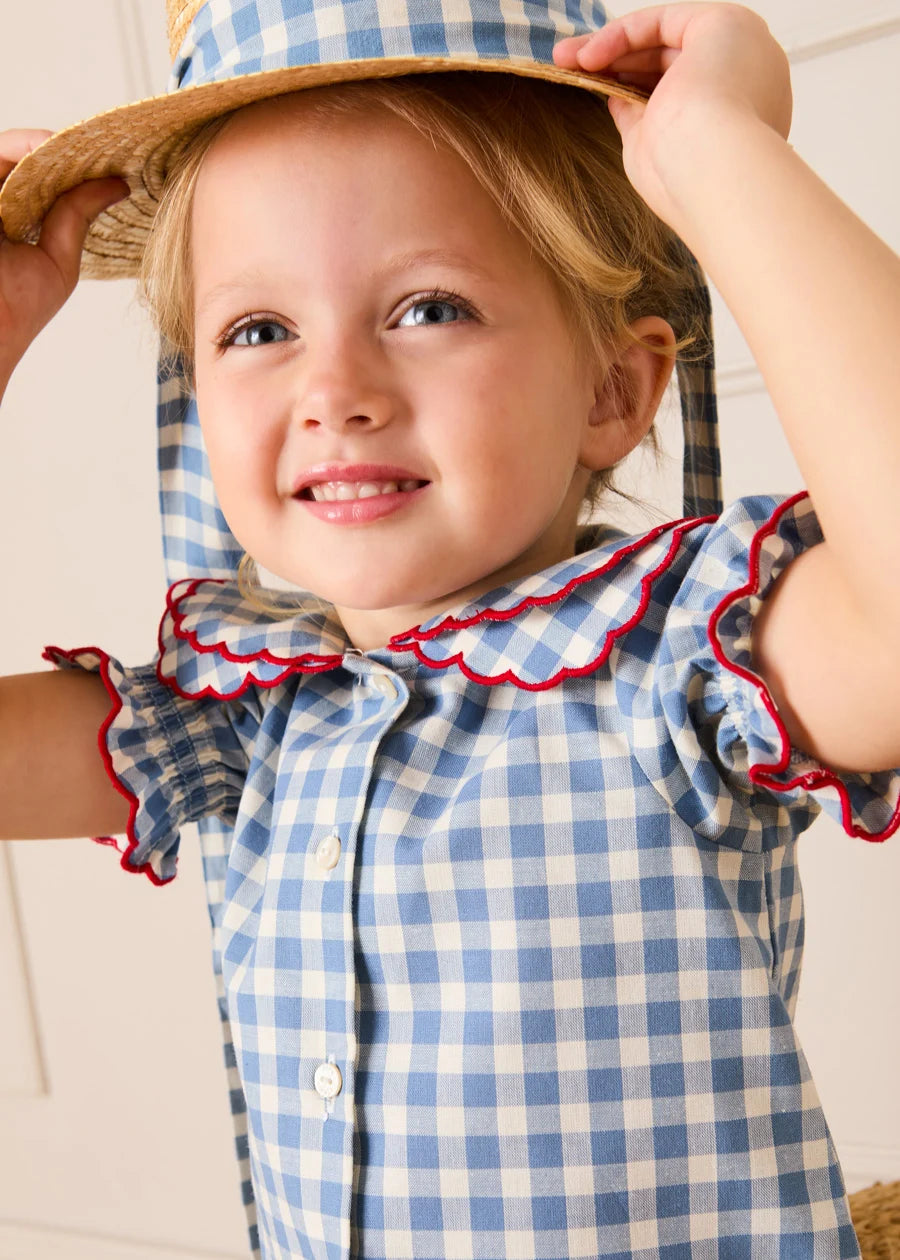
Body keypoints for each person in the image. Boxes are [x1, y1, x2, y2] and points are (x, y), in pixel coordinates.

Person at [1, 1, 899, 1256]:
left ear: (611, 389)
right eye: (259, 330)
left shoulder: (680, 657)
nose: (335, 394)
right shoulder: (246, 705)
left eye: (428, 308)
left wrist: (722, 153)